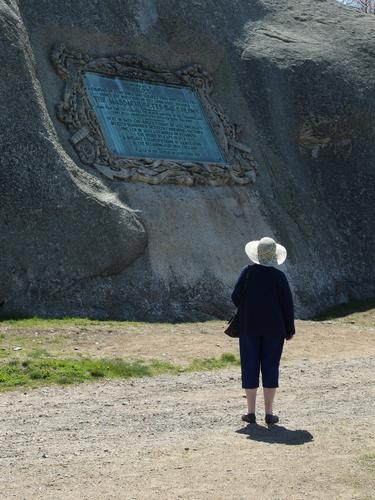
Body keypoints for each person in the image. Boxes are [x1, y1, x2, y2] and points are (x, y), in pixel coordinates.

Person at [231, 236, 295, 425]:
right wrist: (289, 330)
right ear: (274, 257)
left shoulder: (247, 272)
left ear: (257, 254)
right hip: (275, 330)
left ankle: (250, 412)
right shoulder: (279, 277)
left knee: (249, 366)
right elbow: (287, 307)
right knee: (270, 368)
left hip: (249, 327)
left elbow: (235, 298)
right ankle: (269, 413)